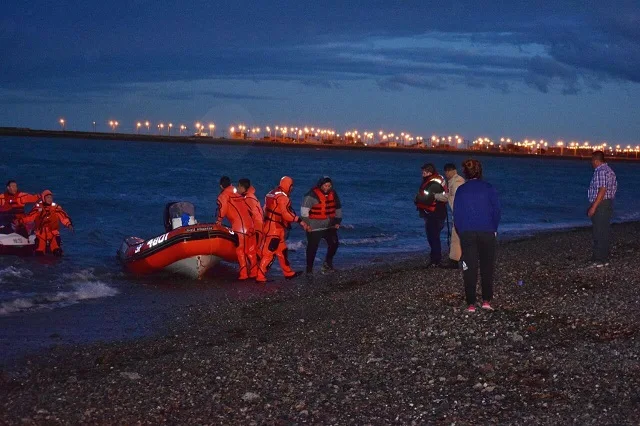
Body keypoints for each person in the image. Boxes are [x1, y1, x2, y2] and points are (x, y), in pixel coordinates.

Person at [454, 159, 501, 312]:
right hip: (487, 231)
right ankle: (486, 300)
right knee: (487, 266)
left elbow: (457, 214)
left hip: (467, 232)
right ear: (480, 171)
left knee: (469, 267)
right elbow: (496, 211)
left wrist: (461, 231)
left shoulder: (461, 190)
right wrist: (494, 228)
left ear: (465, 173)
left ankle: (471, 303)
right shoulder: (489, 188)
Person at [256, 176, 310, 283]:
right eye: (291, 186)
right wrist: (299, 220)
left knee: (282, 251)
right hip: (274, 229)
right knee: (269, 254)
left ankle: (288, 273)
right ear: (288, 186)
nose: (292, 188)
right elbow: (287, 215)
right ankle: (260, 277)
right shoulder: (283, 198)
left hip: (271, 226)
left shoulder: (271, 193)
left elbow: (264, 209)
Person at [215, 176, 257, 280]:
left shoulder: (223, 195)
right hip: (250, 224)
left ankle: (243, 274)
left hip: (240, 226)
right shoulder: (238, 193)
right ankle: (254, 272)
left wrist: (219, 221)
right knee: (251, 250)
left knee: (240, 251)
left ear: (221, 186)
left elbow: (223, 209)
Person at [301, 176, 342, 274]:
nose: (327, 187)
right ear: (320, 185)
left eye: (329, 185)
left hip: (330, 226)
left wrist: (337, 222)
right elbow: (304, 212)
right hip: (314, 227)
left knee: (334, 244)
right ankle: (309, 270)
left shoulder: (333, 194)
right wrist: (307, 225)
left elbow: (338, 208)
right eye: (325, 185)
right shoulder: (311, 195)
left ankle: (327, 264)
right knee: (312, 248)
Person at [18, 190, 73, 256]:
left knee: (57, 252)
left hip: (53, 233)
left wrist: (68, 224)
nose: (50, 199)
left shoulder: (56, 208)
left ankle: (58, 265)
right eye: (48, 197)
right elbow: (30, 217)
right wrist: (20, 221)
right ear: (43, 198)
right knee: (39, 253)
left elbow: (63, 217)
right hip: (41, 234)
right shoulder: (37, 208)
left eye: (50, 197)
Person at [414, 163, 448, 267]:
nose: (422, 173)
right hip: (434, 214)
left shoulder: (433, 184)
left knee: (433, 237)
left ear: (429, 172)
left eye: (424, 171)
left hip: (435, 214)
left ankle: (435, 260)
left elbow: (428, 199)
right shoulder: (432, 181)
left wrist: (417, 199)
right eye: (422, 171)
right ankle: (435, 259)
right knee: (433, 237)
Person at [587, 151, 617, 266]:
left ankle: (598, 260)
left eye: (592, 161)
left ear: (596, 160)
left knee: (598, 231)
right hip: (607, 203)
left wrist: (593, 207)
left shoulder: (601, 171)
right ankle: (603, 258)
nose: (591, 163)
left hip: (601, 205)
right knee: (603, 231)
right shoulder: (609, 171)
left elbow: (602, 190)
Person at [435, 163, 466, 268]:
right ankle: (457, 260)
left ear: (450, 171)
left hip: (459, 214)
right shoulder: (454, 181)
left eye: (446, 172)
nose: (446, 174)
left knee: (456, 238)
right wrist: (436, 196)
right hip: (458, 214)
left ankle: (455, 261)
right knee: (456, 237)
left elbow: (455, 197)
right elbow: (449, 196)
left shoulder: (457, 182)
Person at [237, 178, 264, 255]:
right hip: (258, 226)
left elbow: (247, 214)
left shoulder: (248, 198)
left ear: (242, 187)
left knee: (254, 251)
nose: (237, 188)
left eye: (238, 186)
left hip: (256, 227)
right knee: (254, 250)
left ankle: (258, 266)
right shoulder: (250, 196)